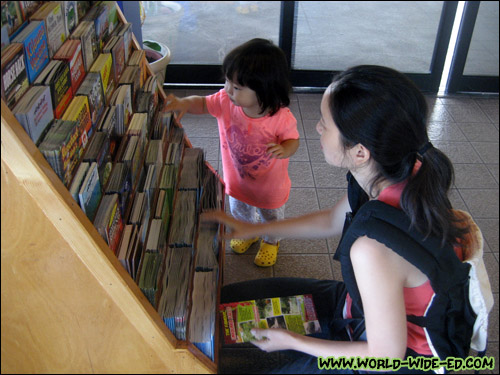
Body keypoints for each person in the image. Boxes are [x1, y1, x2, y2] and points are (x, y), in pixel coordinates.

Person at [203, 65, 473, 373]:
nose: (317, 128)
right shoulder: (402, 169)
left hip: (392, 360)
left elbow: (385, 357)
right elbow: (331, 219)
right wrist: (255, 227)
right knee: (224, 304)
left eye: (324, 123)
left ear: (360, 152)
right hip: (359, 308)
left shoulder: (371, 249)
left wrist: (292, 341)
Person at [166, 38, 299, 267]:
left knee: (271, 216)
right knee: (239, 209)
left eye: (237, 87)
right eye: (227, 81)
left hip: (270, 186)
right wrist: (185, 102)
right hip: (237, 179)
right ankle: (248, 232)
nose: (228, 90)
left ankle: (271, 240)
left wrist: (284, 149)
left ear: (264, 89)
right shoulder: (226, 102)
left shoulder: (280, 117)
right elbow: (203, 103)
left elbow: (293, 141)